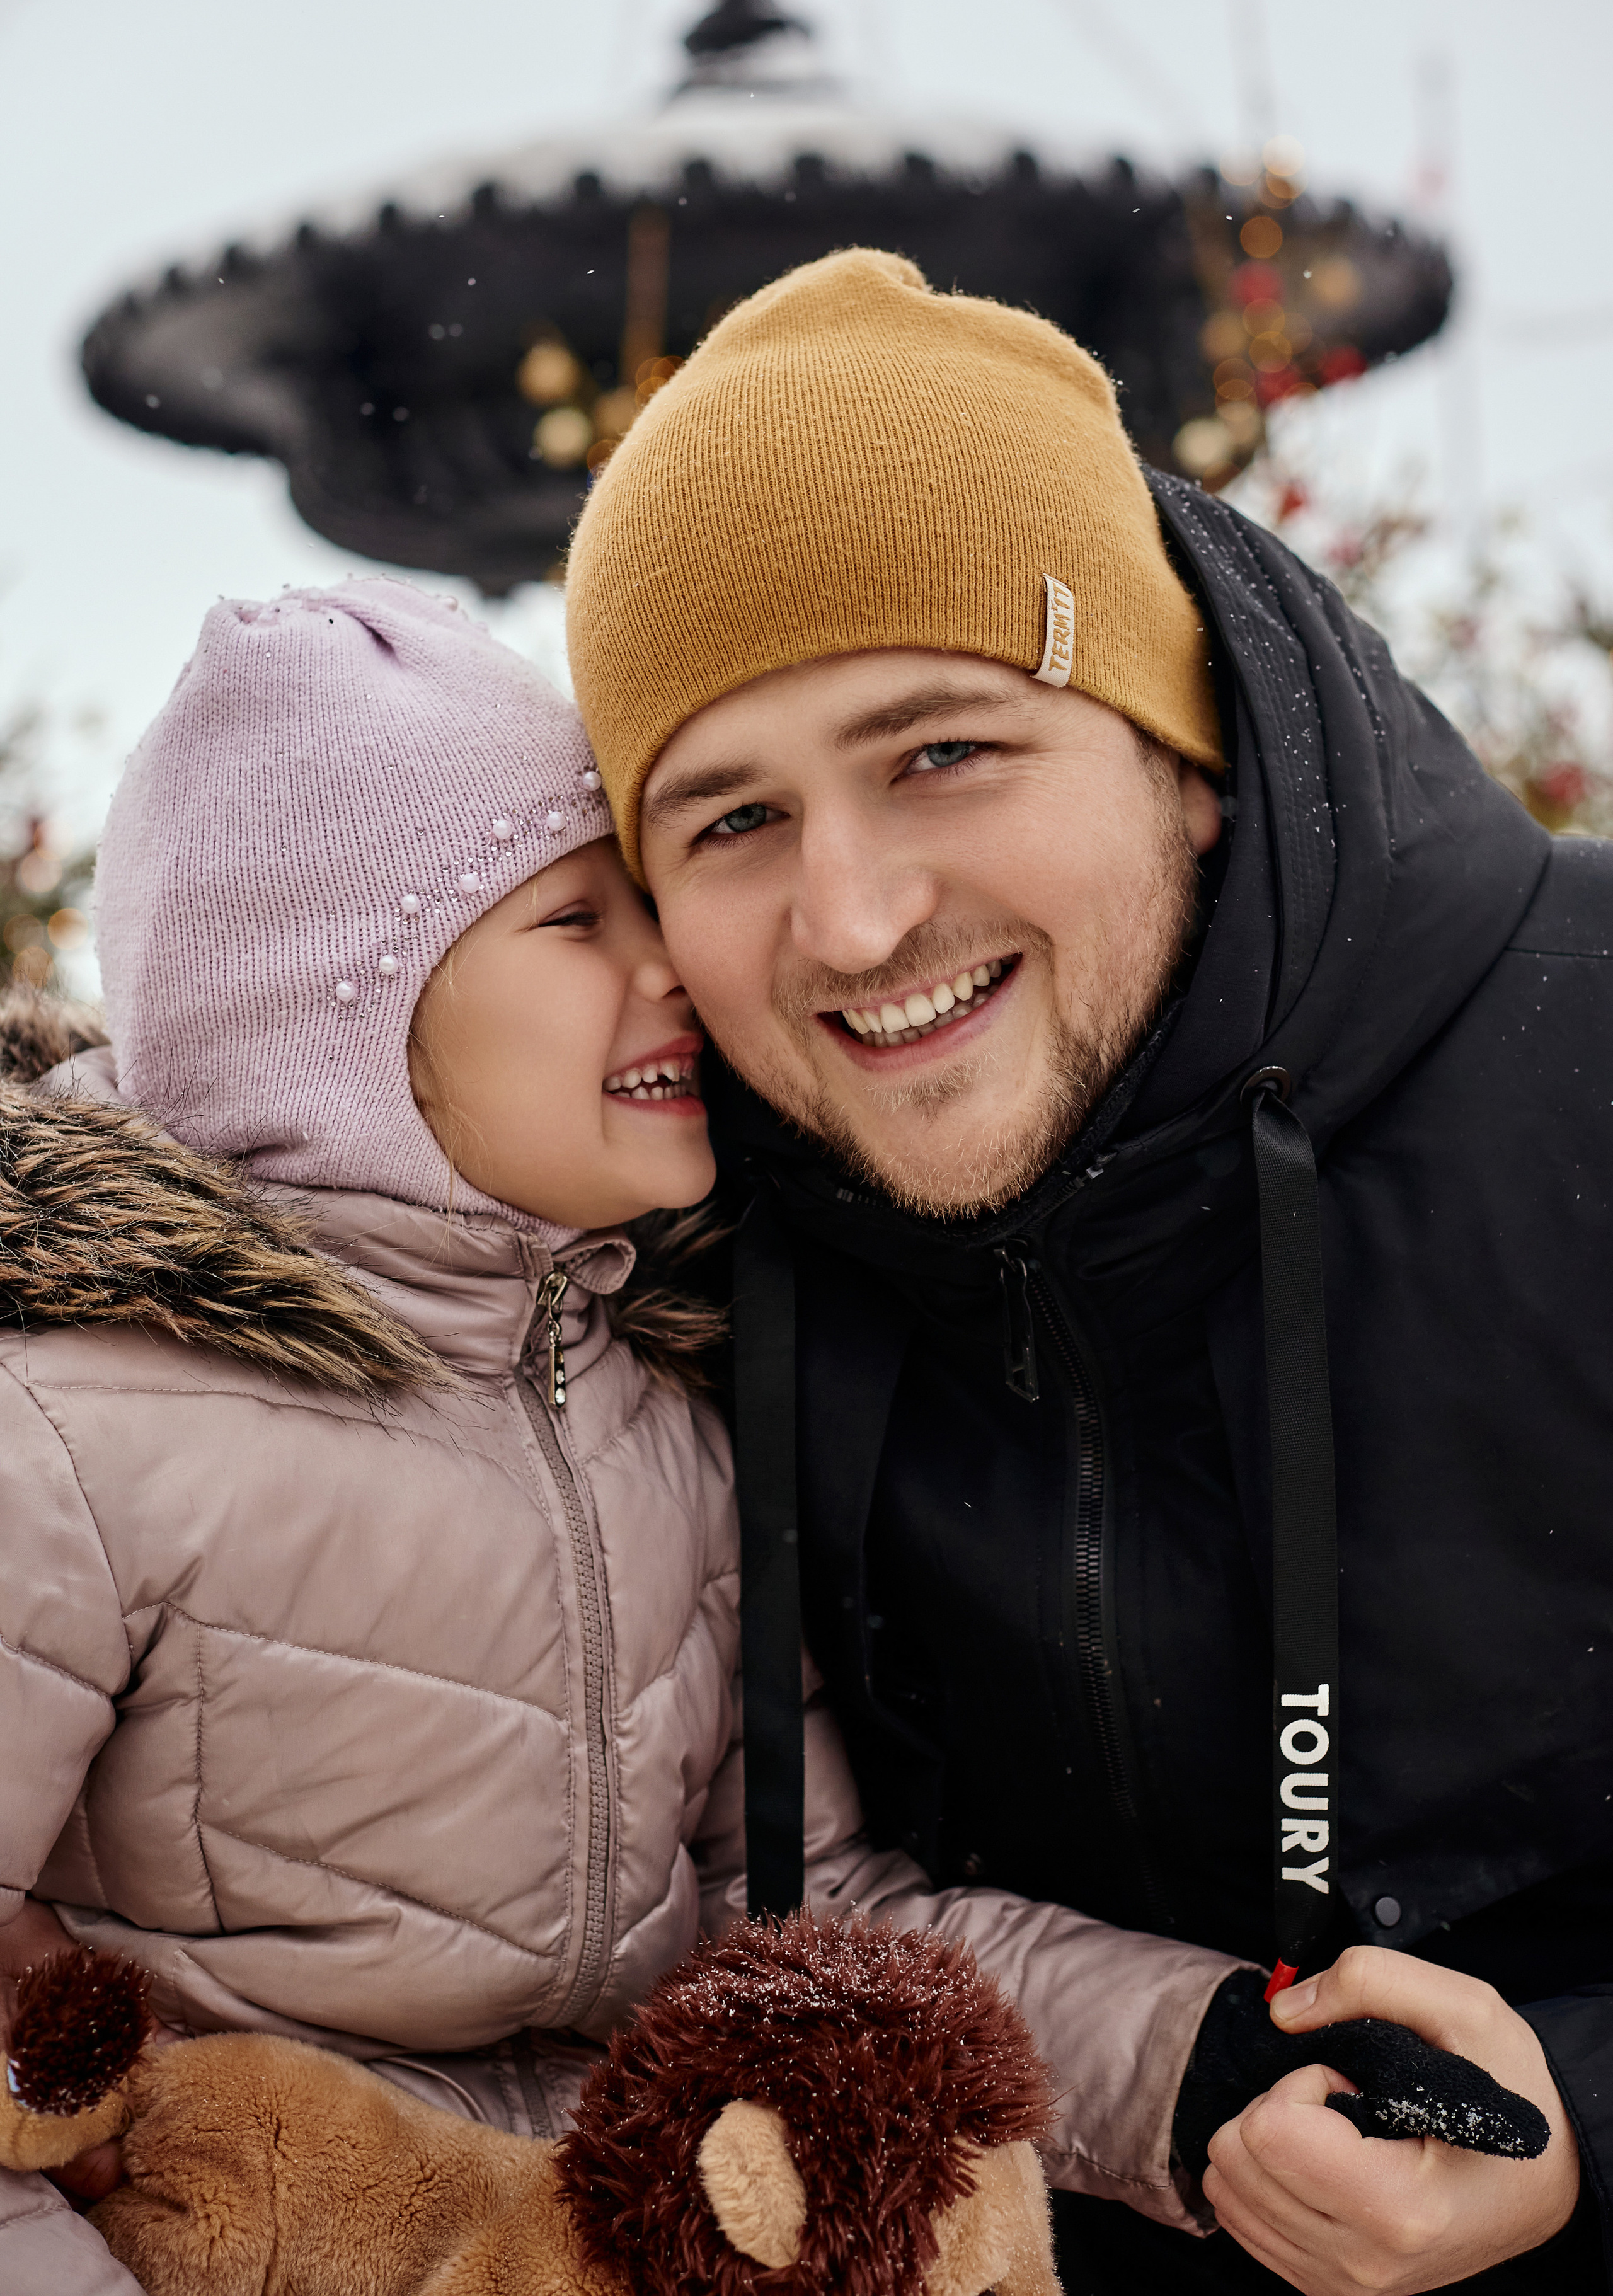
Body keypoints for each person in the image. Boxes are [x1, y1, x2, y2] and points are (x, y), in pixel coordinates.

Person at [563, 248, 1613, 2293]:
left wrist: (1584, 2117)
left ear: (1188, 750)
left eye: (942, 751)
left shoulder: (1588, 1071)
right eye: (733, 816)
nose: (854, 918)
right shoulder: (674, 1257)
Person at [0, 577, 742, 2292]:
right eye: (577, 920)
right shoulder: (77, 1435)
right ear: (340, 1021)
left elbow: (829, 1906)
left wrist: (1191, 2069)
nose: (673, 956)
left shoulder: (666, 1419)